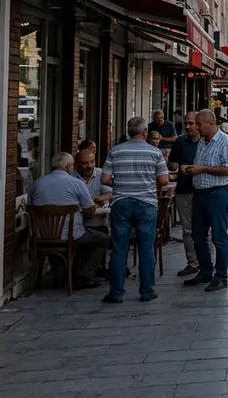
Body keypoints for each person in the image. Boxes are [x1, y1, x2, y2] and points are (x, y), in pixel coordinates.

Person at [101, 117, 170, 303]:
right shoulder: (154, 152)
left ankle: (116, 292)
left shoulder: (115, 151)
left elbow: (105, 179)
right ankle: (147, 291)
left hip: (121, 203)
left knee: (119, 249)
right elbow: (164, 181)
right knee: (147, 249)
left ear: (128, 131)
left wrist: (121, 183)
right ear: (145, 132)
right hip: (146, 204)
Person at [28, 152, 107, 289]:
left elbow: (30, 206)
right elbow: (91, 210)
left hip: (42, 236)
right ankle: (84, 276)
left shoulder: (37, 183)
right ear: (70, 166)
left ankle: (59, 275)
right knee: (103, 239)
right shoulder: (76, 183)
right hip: (72, 236)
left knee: (57, 237)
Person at [182, 109, 228, 292]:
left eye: (198, 123)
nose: (195, 127)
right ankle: (205, 271)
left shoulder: (225, 142)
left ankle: (221, 276)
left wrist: (203, 169)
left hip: (218, 194)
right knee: (198, 235)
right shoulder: (202, 142)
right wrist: (192, 170)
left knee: (218, 236)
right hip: (200, 192)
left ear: (210, 123)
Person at [168, 112, 203, 276]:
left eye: (191, 123)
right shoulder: (180, 141)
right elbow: (173, 164)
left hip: (202, 189)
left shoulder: (206, 142)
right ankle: (192, 262)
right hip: (184, 188)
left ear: (198, 124)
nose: (188, 127)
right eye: (186, 124)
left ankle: (205, 262)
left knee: (203, 228)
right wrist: (178, 167)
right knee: (187, 229)